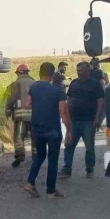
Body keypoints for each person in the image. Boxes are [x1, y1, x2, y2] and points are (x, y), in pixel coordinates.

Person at [24, 62, 72, 198]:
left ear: (40, 73)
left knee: (39, 155)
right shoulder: (58, 91)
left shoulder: (34, 87)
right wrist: (69, 130)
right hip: (53, 129)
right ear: (52, 75)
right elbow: (63, 112)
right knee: (53, 158)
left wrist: (40, 105)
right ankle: (51, 190)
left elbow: (27, 105)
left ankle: (30, 183)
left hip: (36, 126)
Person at [59, 62, 105, 179]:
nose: (79, 72)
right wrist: (67, 116)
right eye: (77, 70)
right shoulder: (74, 83)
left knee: (89, 147)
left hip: (88, 121)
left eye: (81, 70)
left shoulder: (95, 84)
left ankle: (90, 168)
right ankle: (67, 168)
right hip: (74, 121)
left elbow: (100, 102)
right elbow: (69, 99)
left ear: (87, 71)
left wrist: (97, 118)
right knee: (69, 145)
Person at [5, 64, 36, 167]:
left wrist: (8, 111)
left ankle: (20, 154)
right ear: (28, 72)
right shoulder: (36, 84)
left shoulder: (15, 84)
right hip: (35, 116)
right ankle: (36, 156)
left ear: (19, 73)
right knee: (35, 136)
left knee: (19, 136)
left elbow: (10, 99)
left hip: (20, 116)